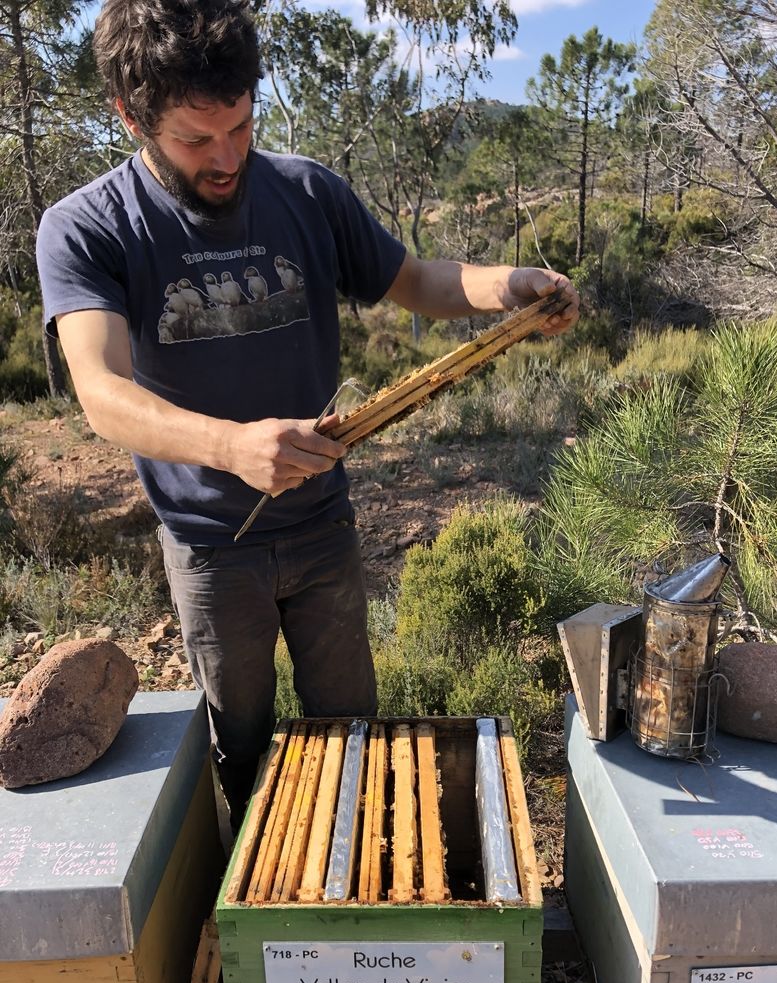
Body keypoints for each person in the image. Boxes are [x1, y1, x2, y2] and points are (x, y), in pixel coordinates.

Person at [36, 0, 579, 828]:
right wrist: (231, 446)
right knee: (242, 749)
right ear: (131, 116)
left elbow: (419, 281)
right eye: (196, 139)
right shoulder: (86, 227)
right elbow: (102, 392)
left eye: (241, 126)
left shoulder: (307, 191)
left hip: (324, 528)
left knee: (353, 736)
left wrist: (511, 286)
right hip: (212, 546)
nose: (227, 157)